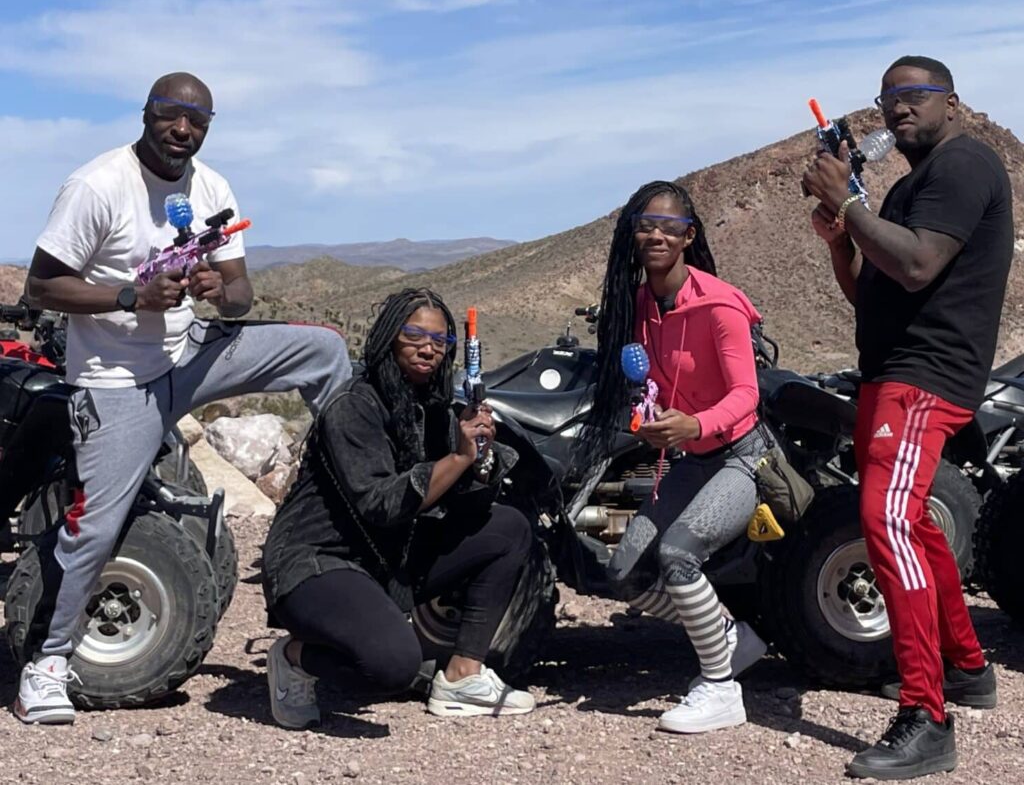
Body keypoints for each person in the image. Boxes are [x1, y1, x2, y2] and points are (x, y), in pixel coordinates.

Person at [17, 72, 351, 724]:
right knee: (98, 522)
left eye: (197, 121)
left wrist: (216, 290)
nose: (183, 130)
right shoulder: (98, 185)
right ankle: (49, 663)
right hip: (119, 381)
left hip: (194, 352)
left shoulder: (209, 189)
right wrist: (127, 297)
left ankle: (347, 495)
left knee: (327, 351)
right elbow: (41, 287)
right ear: (147, 114)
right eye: (172, 115)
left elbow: (242, 292)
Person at [803, 55, 1011, 781]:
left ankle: (927, 717)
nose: (898, 109)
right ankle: (967, 667)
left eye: (914, 95)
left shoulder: (963, 165)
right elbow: (876, 293)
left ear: (952, 102)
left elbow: (920, 266)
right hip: (891, 374)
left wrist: (851, 204)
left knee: (886, 521)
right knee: (913, 520)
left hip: (926, 377)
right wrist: (841, 238)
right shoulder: (909, 190)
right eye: (887, 99)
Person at [261, 287, 536, 728]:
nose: (428, 349)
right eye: (414, 335)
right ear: (390, 337)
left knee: (509, 528)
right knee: (393, 668)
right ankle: (294, 657)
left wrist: (482, 460)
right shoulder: (354, 407)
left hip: (388, 556)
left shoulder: (436, 407)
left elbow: (458, 494)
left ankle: (463, 675)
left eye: (441, 341)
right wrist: (459, 457)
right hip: (317, 561)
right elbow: (381, 504)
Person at [577, 180, 769, 734]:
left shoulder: (719, 304)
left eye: (671, 227)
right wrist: (654, 417)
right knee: (623, 573)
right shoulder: (640, 304)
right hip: (687, 457)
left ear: (689, 237)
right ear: (631, 233)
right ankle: (730, 639)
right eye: (646, 225)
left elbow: (746, 395)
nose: (657, 234)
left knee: (680, 554)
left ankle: (720, 687)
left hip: (739, 455)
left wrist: (695, 423)